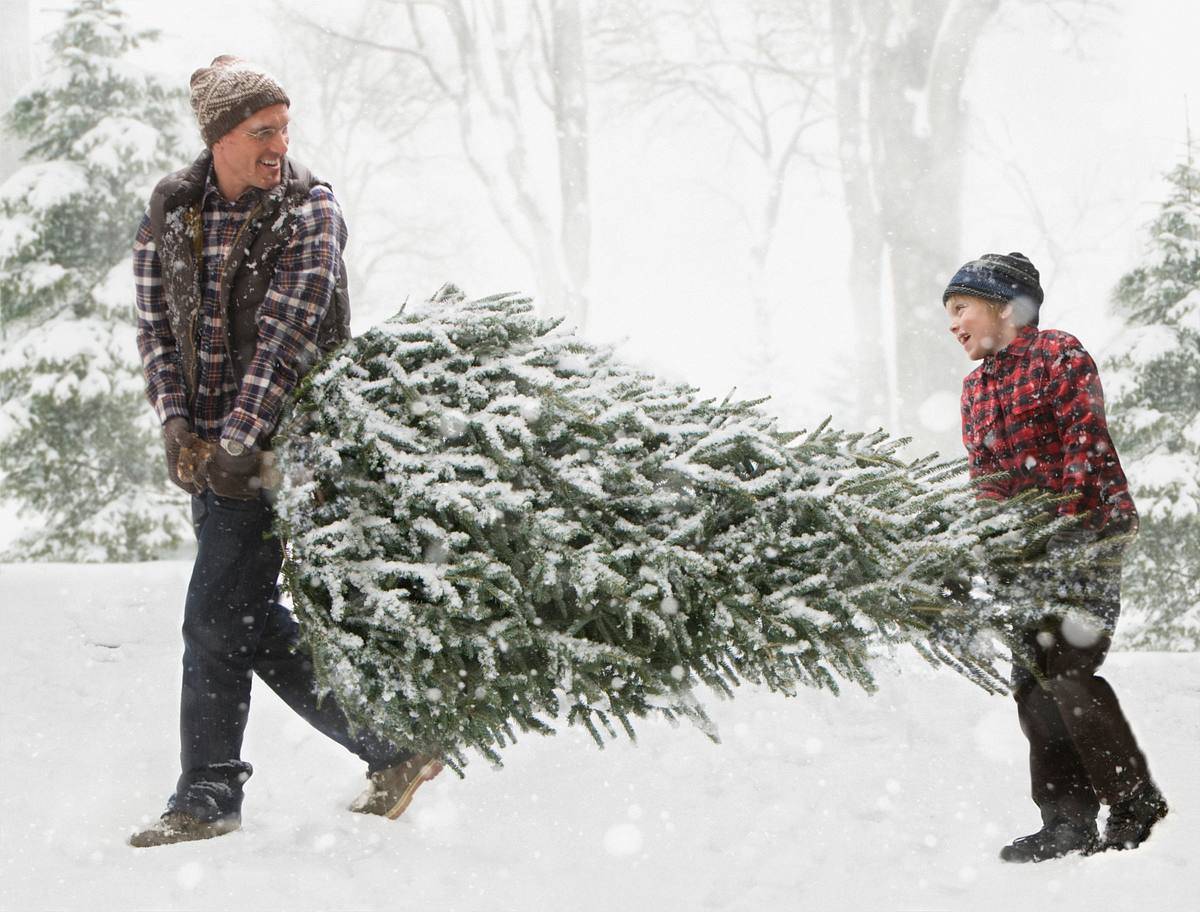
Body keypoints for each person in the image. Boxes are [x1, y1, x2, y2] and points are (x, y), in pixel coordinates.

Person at [129, 56, 441, 848]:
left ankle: (206, 795)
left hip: (286, 449)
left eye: (284, 129)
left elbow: (286, 344)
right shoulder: (171, 208)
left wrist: (238, 446)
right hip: (210, 454)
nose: (278, 145)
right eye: (260, 131)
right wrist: (176, 426)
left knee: (212, 619)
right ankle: (395, 745)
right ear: (219, 138)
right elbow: (156, 327)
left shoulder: (309, 212)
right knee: (245, 617)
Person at [943, 252, 1168, 864]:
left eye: (961, 308)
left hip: (1086, 535)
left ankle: (1132, 798)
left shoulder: (1057, 354)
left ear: (1003, 305)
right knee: (1032, 682)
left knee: (1065, 665)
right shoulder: (974, 388)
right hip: (1024, 555)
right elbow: (985, 476)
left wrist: (1068, 523)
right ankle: (1065, 818)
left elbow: (1084, 439)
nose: (954, 324)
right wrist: (984, 545)